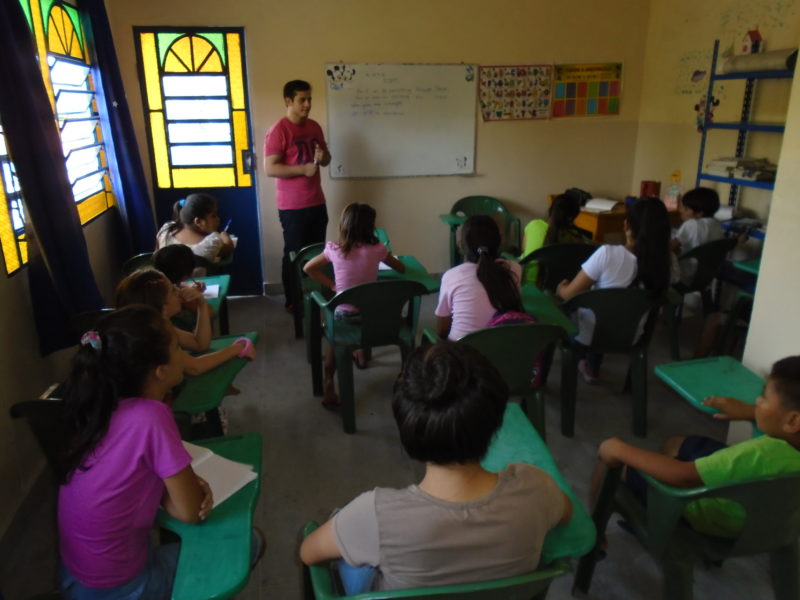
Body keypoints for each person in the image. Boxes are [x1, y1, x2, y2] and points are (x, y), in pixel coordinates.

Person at [299, 342, 572, 594]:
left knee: (347, 545)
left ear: (408, 432)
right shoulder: (537, 489)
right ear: (496, 424)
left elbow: (308, 552)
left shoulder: (376, 515)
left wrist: (347, 524)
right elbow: (565, 513)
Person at [58, 306, 210, 599]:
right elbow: (190, 512)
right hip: (123, 588)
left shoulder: (99, 405)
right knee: (251, 542)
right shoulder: (151, 415)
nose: (182, 354)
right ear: (160, 371)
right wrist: (194, 489)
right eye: (177, 347)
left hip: (75, 581)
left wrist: (183, 486)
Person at [594, 355, 800, 539]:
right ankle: (653, 510)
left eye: (764, 397)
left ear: (792, 421)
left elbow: (684, 476)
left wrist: (618, 449)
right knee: (676, 443)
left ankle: (595, 537)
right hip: (770, 521)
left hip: (715, 518)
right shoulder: (784, 449)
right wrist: (750, 412)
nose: (757, 400)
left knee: (609, 465)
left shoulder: (762, 453)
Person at [556, 196, 674, 383]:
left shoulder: (607, 253)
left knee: (575, 309)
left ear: (626, 225)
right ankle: (592, 367)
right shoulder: (668, 262)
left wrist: (560, 288)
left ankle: (585, 365)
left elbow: (570, 294)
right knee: (610, 309)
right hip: (632, 337)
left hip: (589, 338)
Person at [303, 202, 405, 407]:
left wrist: (332, 284)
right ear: (370, 227)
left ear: (344, 225)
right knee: (367, 306)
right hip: (371, 317)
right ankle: (362, 356)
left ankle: (330, 381)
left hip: (344, 317)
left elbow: (308, 268)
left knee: (334, 335)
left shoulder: (334, 250)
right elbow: (401, 269)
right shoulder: (378, 249)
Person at [264, 79, 331, 312]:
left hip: (317, 201)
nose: (307, 105)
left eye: (309, 99)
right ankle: (293, 301)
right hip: (292, 206)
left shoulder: (314, 127)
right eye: (302, 100)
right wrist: (302, 170)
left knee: (317, 254)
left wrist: (323, 158)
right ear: (288, 101)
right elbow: (270, 168)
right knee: (294, 254)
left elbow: (327, 158)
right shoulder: (278, 131)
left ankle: (315, 298)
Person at [116, 268, 255, 375]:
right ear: (163, 308)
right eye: (172, 290)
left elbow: (200, 344)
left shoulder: (158, 323)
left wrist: (201, 304)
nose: (179, 290)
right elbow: (195, 367)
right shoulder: (154, 335)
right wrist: (239, 347)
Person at [435, 215, 523, 340]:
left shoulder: (451, 276)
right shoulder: (515, 269)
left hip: (462, 356)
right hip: (504, 352)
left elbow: (442, 331)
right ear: (500, 241)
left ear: (461, 246)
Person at [521, 193, 592, 284]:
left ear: (551, 209)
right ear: (571, 218)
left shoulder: (534, 225)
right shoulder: (571, 236)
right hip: (554, 288)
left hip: (526, 285)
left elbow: (523, 248)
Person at [156, 193, 234, 268]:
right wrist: (225, 236)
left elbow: (156, 253)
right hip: (200, 281)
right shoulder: (212, 242)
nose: (218, 219)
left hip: (166, 280)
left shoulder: (166, 230)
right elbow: (228, 247)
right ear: (198, 221)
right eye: (213, 216)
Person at [671, 186, 724, 285]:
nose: (681, 210)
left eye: (686, 209)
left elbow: (670, 247)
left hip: (685, 275)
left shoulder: (692, 224)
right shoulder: (716, 224)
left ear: (699, 213)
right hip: (706, 277)